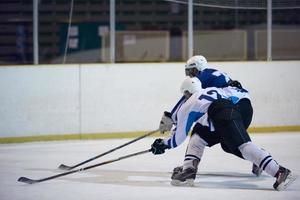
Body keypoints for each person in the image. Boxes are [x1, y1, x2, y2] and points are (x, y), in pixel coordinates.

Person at [151, 77, 296, 190]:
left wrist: (163, 144)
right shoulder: (215, 90)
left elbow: (179, 137)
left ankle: (280, 171)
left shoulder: (188, 104)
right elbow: (241, 92)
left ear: (187, 93)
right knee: (199, 134)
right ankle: (189, 169)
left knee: (242, 146)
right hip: (235, 109)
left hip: (223, 112)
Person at [159, 55, 262, 177]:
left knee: (199, 131)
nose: (190, 75)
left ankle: (189, 168)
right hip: (242, 108)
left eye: (192, 71)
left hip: (234, 109)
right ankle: (259, 158)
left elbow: (187, 98)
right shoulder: (214, 75)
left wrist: (172, 117)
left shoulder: (204, 76)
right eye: (188, 71)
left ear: (200, 68)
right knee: (228, 144)